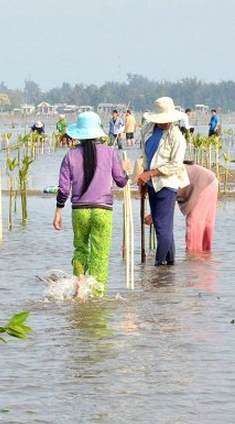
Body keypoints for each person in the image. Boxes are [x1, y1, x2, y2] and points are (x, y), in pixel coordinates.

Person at [52, 111, 131, 296]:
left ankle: (79, 285)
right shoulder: (110, 152)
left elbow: (63, 189)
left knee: (80, 249)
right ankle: (97, 296)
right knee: (100, 255)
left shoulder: (70, 156)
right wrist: (125, 169)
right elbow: (121, 181)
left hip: (79, 211)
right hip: (103, 211)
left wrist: (58, 211)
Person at [136, 97, 189, 266]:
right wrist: (144, 176)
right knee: (164, 225)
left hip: (167, 183)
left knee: (161, 227)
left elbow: (175, 165)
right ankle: (170, 263)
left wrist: (151, 174)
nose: (164, 123)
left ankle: (158, 266)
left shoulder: (176, 137)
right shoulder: (148, 130)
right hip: (151, 183)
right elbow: (145, 156)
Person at [176, 161, 218, 252]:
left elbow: (167, 200)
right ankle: (206, 256)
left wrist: (154, 216)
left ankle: (194, 258)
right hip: (211, 180)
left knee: (194, 224)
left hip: (202, 184)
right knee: (206, 224)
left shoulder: (159, 175)